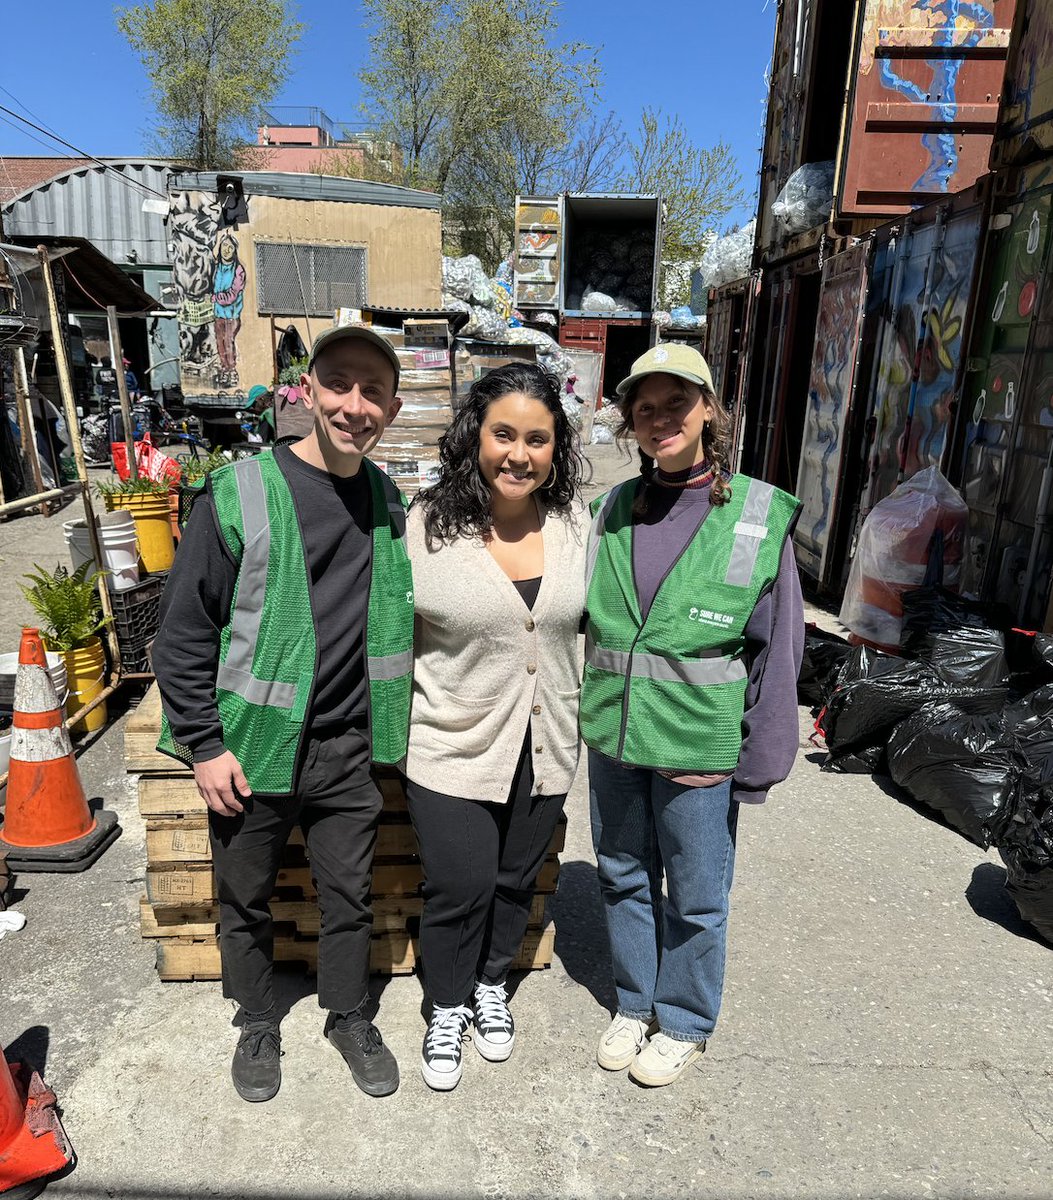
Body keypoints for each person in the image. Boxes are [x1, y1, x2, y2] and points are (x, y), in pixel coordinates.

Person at [152, 325, 412, 1103]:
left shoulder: (388, 498)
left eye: (372, 391)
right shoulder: (243, 491)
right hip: (249, 749)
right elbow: (183, 631)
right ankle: (256, 1020)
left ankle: (346, 1017)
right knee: (244, 897)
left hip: (346, 746)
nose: (353, 405)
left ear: (392, 409)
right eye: (338, 383)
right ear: (307, 389)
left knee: (350, 897)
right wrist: (203, 744)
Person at [581, 344, 804, 1087]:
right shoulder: (611, 510)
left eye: (675, 403)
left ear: (708, 408)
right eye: (643, 410)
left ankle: (682, 1020)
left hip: (697, 745)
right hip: (615, 733)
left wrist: (759, 762)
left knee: (698, 894)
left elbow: (779, 650)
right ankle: (634, 1001)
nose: (659, 420)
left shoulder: (756, 513)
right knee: (620, 873)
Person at [404, 363, 587, 1090]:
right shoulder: (426, 526)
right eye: (502, 433)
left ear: (555, 448)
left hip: (546, 744)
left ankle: (490, 984)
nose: (518, 454)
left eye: (536, 439)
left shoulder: (577, 527)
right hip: (449, 743)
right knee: (460, 885)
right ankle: (446, 1005)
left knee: (513, 882)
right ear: (473, 437)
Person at [212, 233, 246, 388]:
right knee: (220, 343)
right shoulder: (216, 267)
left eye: (230, 247)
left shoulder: (238, 270)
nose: (227, 250)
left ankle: (231, 371)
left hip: (232, 316)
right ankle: (225, 371)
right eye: (224, 246)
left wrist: (215, 298)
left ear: (235, 251)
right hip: (218, 314)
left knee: (228, 343)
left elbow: (232, 295)